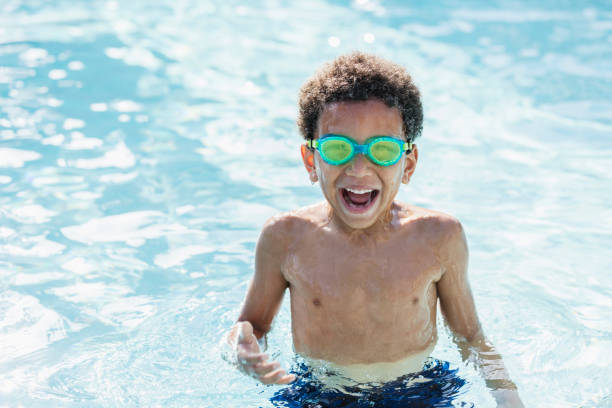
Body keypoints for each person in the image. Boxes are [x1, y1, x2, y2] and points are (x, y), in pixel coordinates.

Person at [223, 52, 524, 407]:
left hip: (419, 388)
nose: (359, 167)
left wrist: (509, 399)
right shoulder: (285, 238)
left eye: (382, 150)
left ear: (408, 164)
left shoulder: (439, 237)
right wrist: (240, 344)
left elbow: (471, 337)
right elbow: (252, 324)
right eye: (338, 148)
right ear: (311, 161)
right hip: (321, 392)